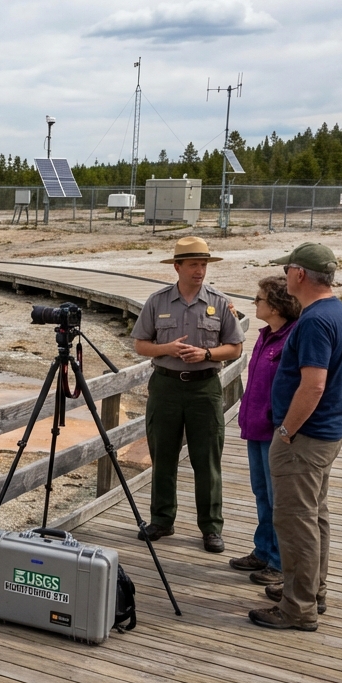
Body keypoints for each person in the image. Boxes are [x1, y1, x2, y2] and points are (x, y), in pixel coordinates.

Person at [250, 242, 342, 631]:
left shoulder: (314, 320)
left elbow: (313, 385)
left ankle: (298, 608)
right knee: (315, 517)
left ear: (299, 275)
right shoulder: (340, 313)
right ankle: (312, 590)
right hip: (328, 433)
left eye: (286, 270)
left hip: (305, 438)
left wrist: (286, 430)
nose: (283, 277)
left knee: (296, 522)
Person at [131, 236, 245, 553]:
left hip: (204, 387)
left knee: (206, 460)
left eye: (204, 264)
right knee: (163, 455)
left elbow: (235, 348)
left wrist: (207, 354)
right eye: (194, 264)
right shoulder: (157, 302)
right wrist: (166, 349)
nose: (200, 270)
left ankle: (211, 528)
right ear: (177, 267)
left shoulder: (220, 303)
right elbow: (140, 344)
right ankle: (162, 520)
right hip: (165, 385)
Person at [230, 276, 301, 585]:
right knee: (262, 493)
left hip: (275, 430)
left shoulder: (291, 338)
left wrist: (284, 425)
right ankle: (263, 549)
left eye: (258, 299)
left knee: (277, 499)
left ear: (275, 305)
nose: (254, 303)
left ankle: (279, 563)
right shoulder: (264, 335)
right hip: (255, 426)